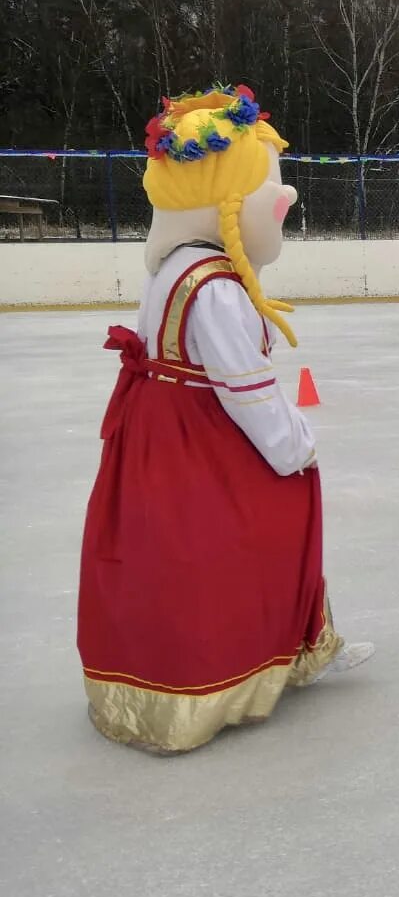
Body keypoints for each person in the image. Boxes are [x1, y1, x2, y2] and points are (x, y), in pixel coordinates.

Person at [77, 85, 373, 755]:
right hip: (197, 441)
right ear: (226, 204)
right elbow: (247, 389)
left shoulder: (173, 268)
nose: (286, 199)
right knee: (240, 536)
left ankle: (176, 675)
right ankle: (225, 676)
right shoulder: (214, 288)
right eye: (271, 185)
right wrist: (294, 445)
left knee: (169, 556)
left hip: (160, 434)